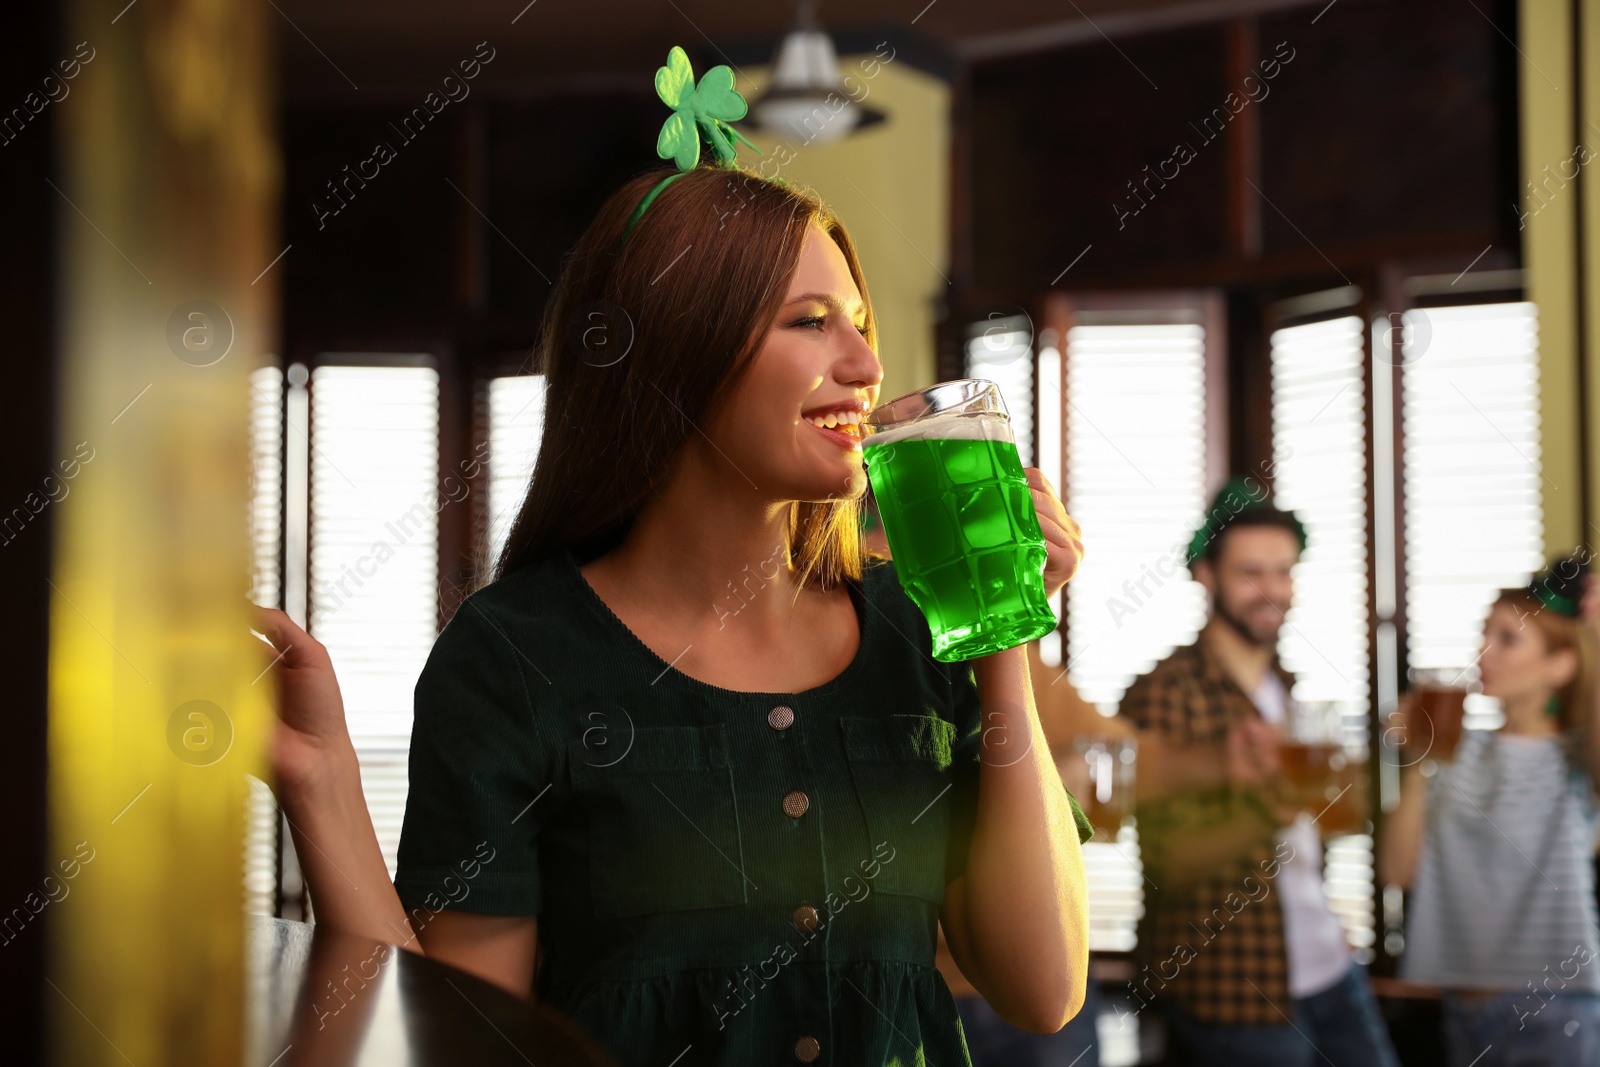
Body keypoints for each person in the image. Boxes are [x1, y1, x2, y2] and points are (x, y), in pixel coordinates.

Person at [249, 45, 1096, 1067]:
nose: (867, 367)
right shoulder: (516, 657)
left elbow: (1043, 988)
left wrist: (993, 622)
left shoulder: (916, 629)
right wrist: (322, 780)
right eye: (812, 323)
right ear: (678, 351)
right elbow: (466, 1040)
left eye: (861, 325)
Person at [1117, 478, 1399, 1067]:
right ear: (1205, 573)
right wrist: (1267, 813)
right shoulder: (1163, 693)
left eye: (1283, 572)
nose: (1271, 590)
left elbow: (1311, 832)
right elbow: (1171, 866)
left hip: (1326, 962)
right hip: (1235, 988)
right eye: (1251, 572)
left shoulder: (1287, 689)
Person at [1379, 553, 1600, 1066]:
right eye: (1485, 633)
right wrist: (1419, 759)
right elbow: (1398, 871)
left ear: (1560, 665)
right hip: (1461, 1012)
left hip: (1559, 1016)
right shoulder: (1457, 752)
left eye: (1508, 638)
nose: (1483, 651)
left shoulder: (1578, 760)